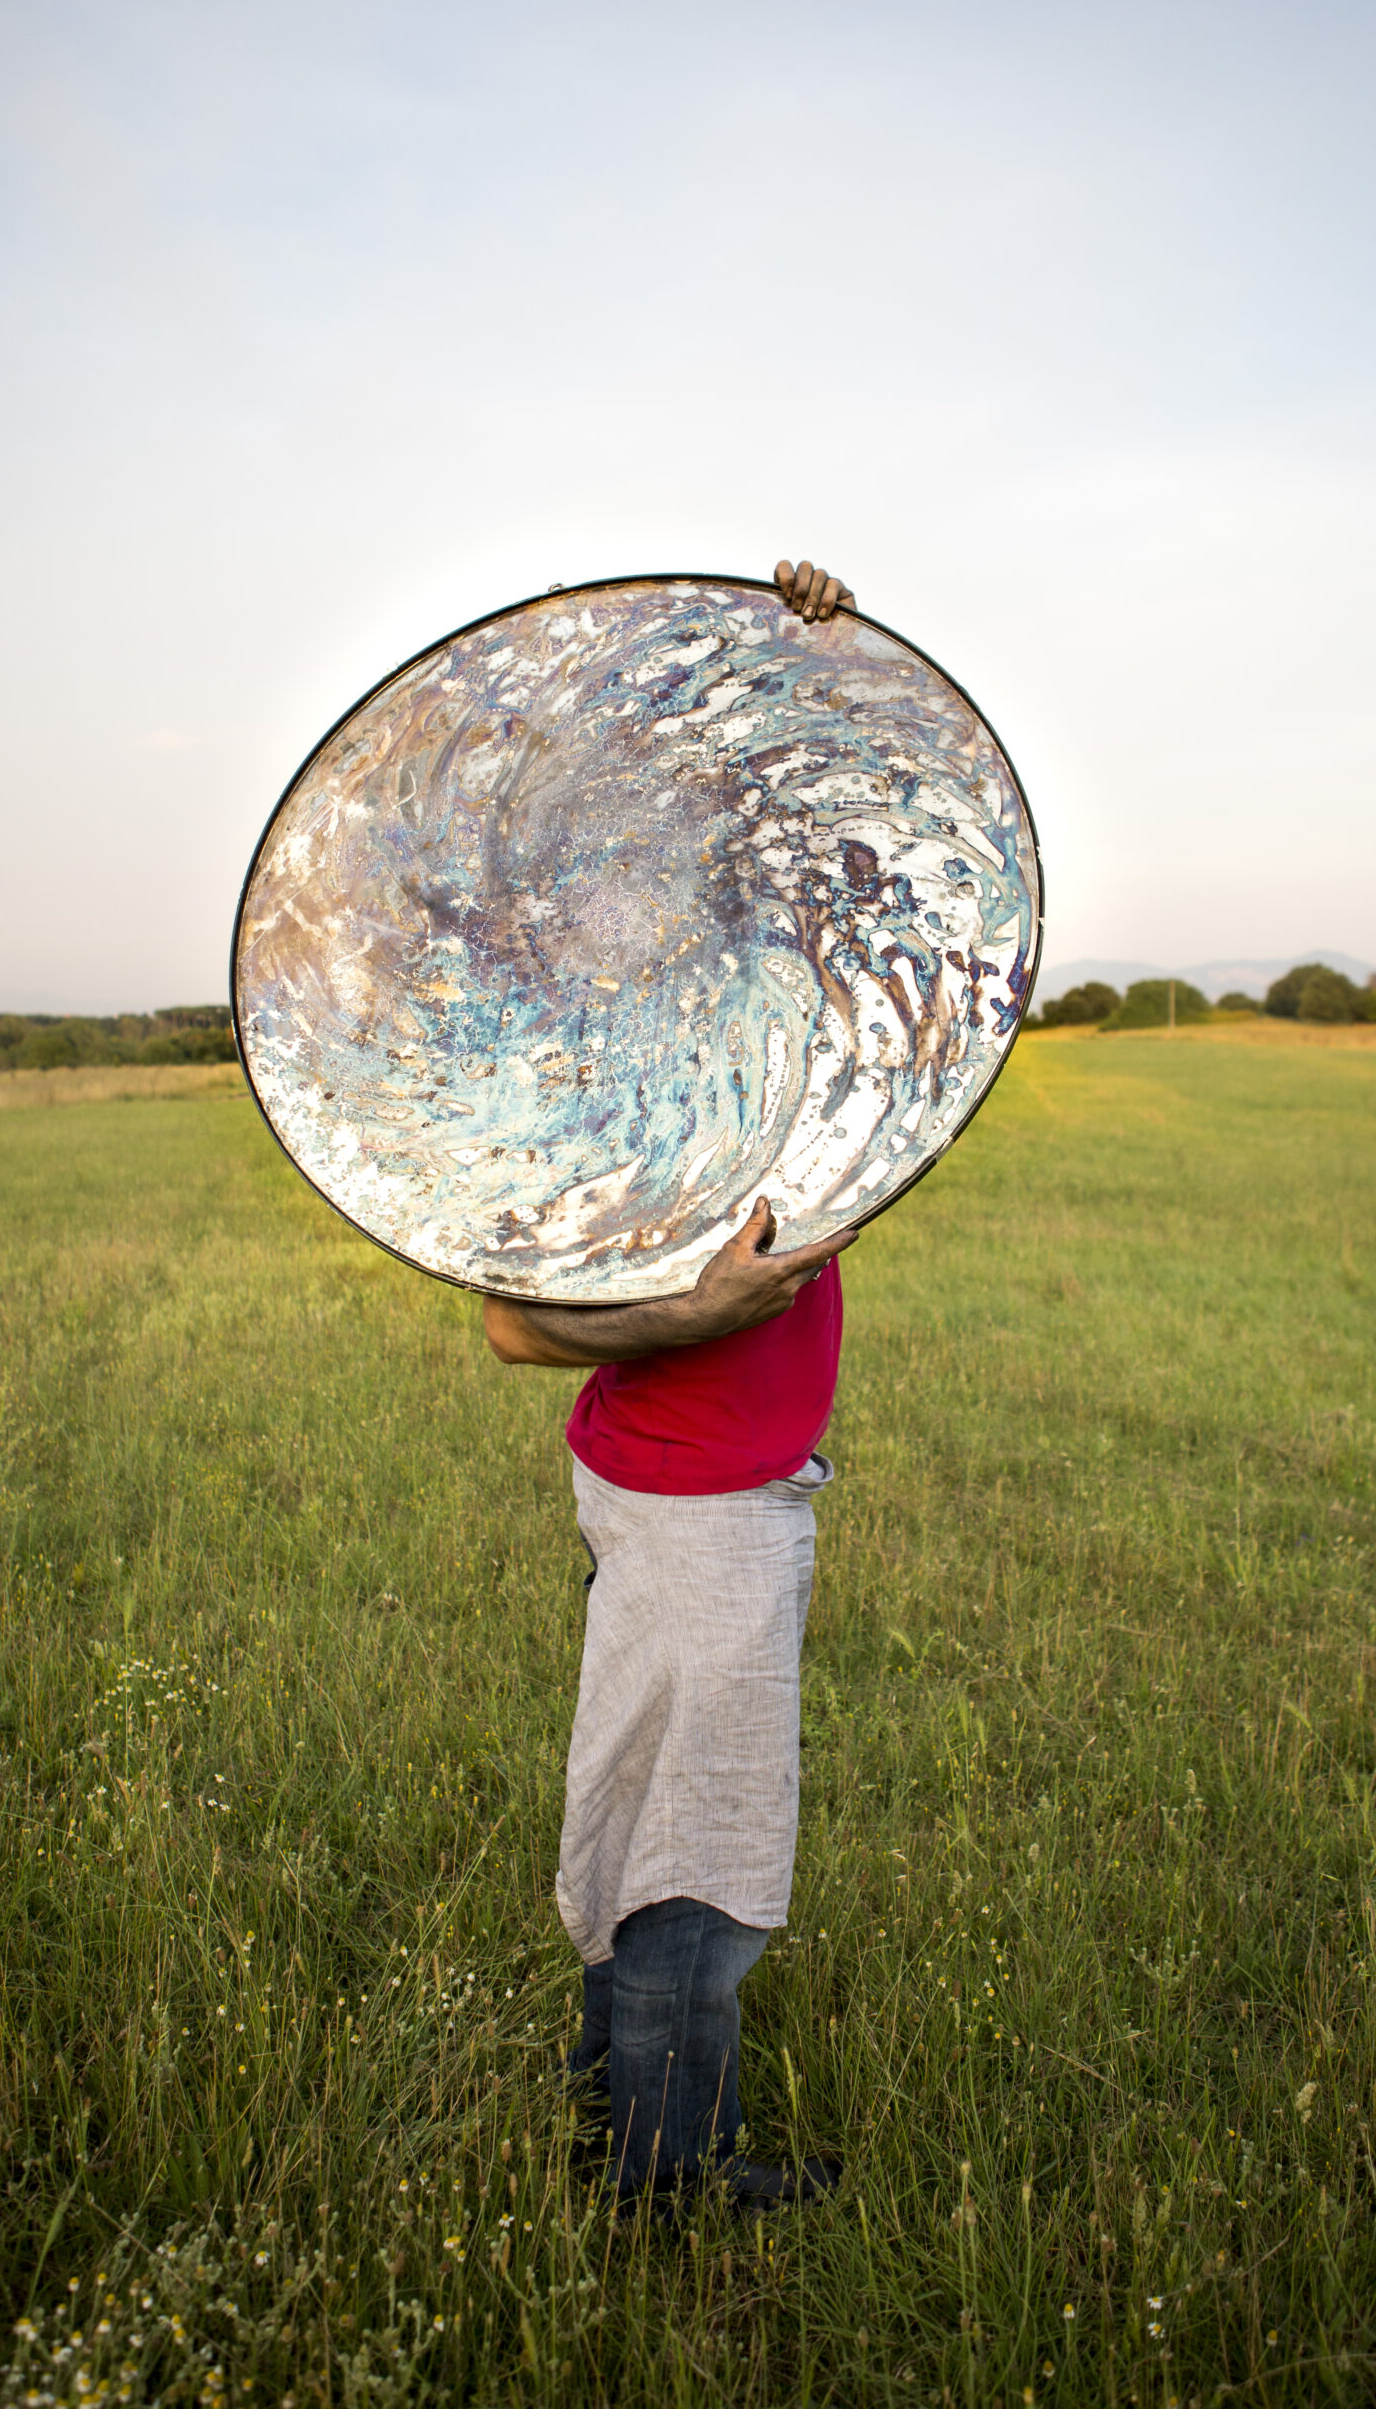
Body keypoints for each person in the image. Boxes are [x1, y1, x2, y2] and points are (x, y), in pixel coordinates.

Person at [482, 557, 860, 2212]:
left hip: (704, 1495)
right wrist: (700, 1307)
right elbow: (510, 1323)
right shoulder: (589, 1077)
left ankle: (605, 2115)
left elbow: (863, 879)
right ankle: (662, 2179)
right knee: (690, 1860)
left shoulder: (738, 1024)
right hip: (691, 1507)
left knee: (645, 1810)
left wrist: (819, 663)